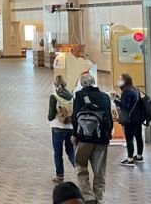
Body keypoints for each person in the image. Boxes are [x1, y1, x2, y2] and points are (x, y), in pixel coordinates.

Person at [71, 74, 112, 204]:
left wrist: (74, 135)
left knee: (80, 165)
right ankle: (99, 198)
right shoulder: (105, 97)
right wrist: (107, 136)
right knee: (99, 170)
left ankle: (88, 197)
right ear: (94, 83)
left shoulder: (79, 95)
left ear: (82, 84)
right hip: (101, 139)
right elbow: (109, 119)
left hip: (84, 138)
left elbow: (75, 117)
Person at [110, 73, 144, 166]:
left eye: (120, 79)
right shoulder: (134, 89)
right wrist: (118, 97)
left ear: (125, 81)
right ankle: (139, 156)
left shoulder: (126, 91)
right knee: (139, 137)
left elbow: (125, 106)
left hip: (130, 119)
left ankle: (130, 159)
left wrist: (114, 100)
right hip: (138, 117)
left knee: (129, 138)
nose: (119, 80)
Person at [48, 75, 75, 183]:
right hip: (70, 127)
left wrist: (50, 117)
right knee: (70, 150)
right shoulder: (71, 95)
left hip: (57, 127)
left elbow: (51, 115)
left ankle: (60, 176)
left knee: (58, 152)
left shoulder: (54, 96)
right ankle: (79, 170)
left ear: (55, 84)